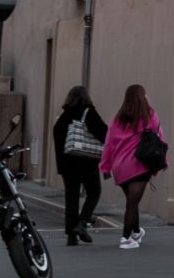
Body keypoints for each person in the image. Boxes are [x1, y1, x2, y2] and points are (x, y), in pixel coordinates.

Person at [99, 84, 165, 249]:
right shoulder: (150, 115)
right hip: (139, 165)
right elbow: (160, 139)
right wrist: (164, 161)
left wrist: (105, 167)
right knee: (132, 203)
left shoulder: (118, 118)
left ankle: (136, 232)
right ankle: (125, 238)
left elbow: (109, 144)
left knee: (131, 200)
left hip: (119, 167)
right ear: (143, 97)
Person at [51, 85, 109, 246]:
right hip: (86, 161)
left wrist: (61, 165)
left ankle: (71, 235)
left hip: (67, 165)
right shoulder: (88, 112)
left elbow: (57, 141)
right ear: (86, 97)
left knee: (71, 198)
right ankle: (82, 223)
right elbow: (104, 133)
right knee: (94, 191)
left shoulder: (63, 115)